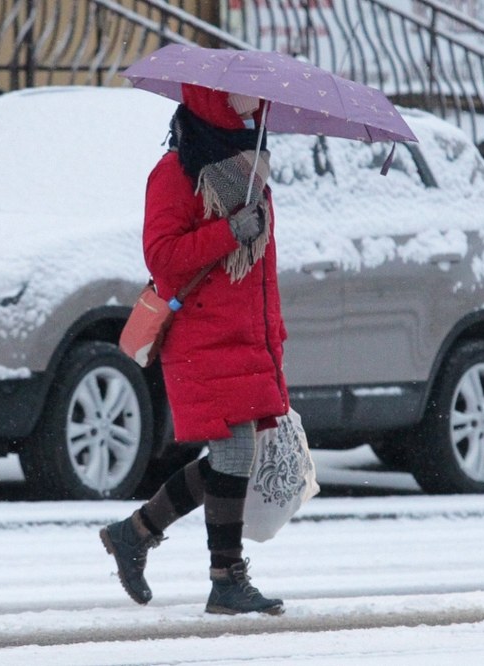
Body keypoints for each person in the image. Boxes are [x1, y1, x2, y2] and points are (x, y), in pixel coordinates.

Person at [100, 84, 289, 616]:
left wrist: (275, 337)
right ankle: (225, 579)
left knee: (231, 459)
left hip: (245, 337)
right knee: (232, 456)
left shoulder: (252, 173)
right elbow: (163, 258)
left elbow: (260, 277)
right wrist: (228, 231)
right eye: (241, 97)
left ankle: (135, 533)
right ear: (211, 102)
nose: (254, 104)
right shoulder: (176, 173)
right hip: (199, 337)